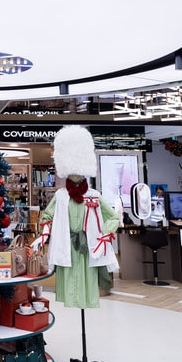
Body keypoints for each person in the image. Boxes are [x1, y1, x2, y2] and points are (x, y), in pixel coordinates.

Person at [38, 125, 121, 308]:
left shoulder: (94, 195)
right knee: (69, 275)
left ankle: (86, 301)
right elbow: (48, 216)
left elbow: (113, 217)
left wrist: (105, 235)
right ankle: (72, 300)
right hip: (66, 244)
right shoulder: (61, 196)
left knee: (87, 275)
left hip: (88, 245)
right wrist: (44, 233)